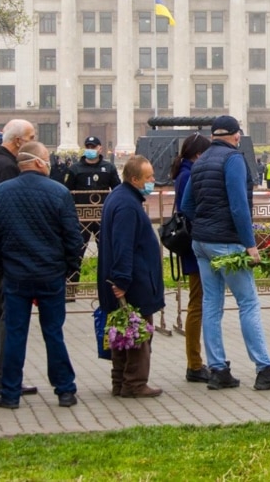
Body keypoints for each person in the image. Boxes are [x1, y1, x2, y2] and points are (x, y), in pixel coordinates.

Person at [180, 115, 270, 391]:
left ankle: (219, 370)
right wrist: (250, 245)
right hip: (228, 242)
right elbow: (238, 206)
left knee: (212, 305)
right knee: (248, 303)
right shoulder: (233, 160)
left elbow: (186, 205)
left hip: (201, 243)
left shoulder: (199, 163)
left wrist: (204, 224)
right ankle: (264, 370)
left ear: (213, 136)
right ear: (235, 135)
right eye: (238, 135)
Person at [0, 142, 84, 409]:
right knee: (53, 332)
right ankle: (65, 390)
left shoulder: (0, 193)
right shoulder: (59, 192)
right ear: (40, 162)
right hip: (50, 273)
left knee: (15, 333)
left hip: (15, 275)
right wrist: (70, 267)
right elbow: (73, 237)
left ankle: (9, 393)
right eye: (48, 159)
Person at [0, 119, 38, 395]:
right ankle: (5, 376)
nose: (35, 141)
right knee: (8, 317)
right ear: (17, 141)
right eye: (31, 136)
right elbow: (9, 213)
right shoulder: (7, 167)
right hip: (7, 253)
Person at [99, 155, 165, 399]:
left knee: (122, 331)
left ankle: (120, 382)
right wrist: (122, 280)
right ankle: (135, 383)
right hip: (133, 282)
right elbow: (123, 245)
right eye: (149, 177)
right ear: (135, 179)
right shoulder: (127, 204)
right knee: (137, 332)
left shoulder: (120, 196)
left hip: (128, 279)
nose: (153, 181)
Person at [170, 133, 211, 383]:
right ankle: (194, 363)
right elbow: (190, 209)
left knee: (199, 301)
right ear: (198, 155)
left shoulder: (185, 172)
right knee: (197, 303)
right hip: (195, 245)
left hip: (193, 244)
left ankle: (196, 361)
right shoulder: (189, 175)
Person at [63, 135, 120, 250]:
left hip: (102, 213)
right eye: (88, 147)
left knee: (106, 248)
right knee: (78, 248)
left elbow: (117, 189)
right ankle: (75, 268)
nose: (90, 149)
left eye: (93, 147)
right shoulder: (75, 168)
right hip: (82, 215)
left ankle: (105, 268)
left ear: (100, 148)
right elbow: (67, 191)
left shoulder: (108, 167)